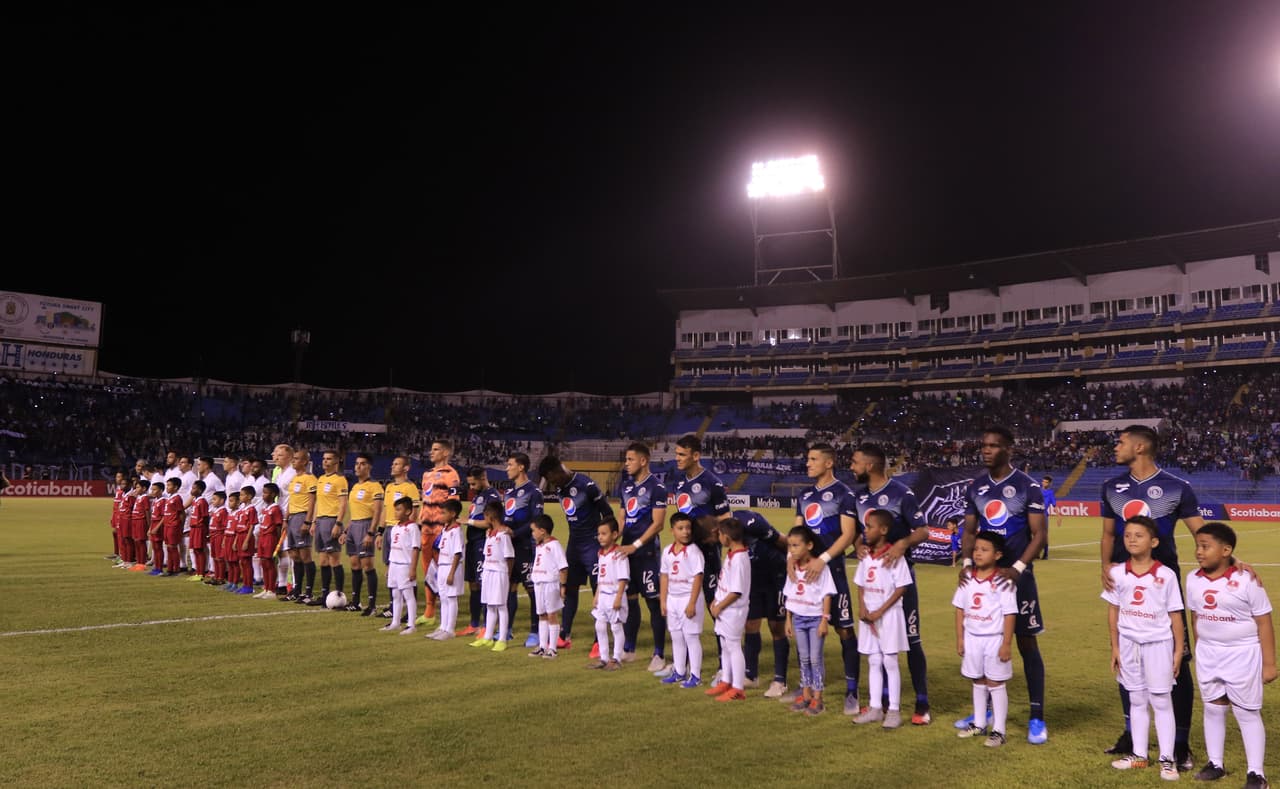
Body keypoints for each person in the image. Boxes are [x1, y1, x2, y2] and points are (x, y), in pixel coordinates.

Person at [1101, 424, 1204, 769]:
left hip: (1165, 584)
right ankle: (1133, 736)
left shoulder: (1177, 487)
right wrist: (1105, 566)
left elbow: (1201, 534)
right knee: (1125, 659)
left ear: (1141, 446)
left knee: (1178, 660)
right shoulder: (1111, 487)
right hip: (1125, 582)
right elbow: (1107, 534)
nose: (1116, 446)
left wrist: (1229, 563)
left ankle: (1181, 744)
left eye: (1121, 441)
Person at [957, 426, 1049, 745]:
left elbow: (1039, 535)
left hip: (1017, 578)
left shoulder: (1028, 487)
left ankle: (1036, 716)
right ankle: (982, 715)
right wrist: (968, 564)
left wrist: (1018, 568)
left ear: (1009, 449)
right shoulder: (977, 487)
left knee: (1024, 642)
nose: (986, 450)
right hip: (984, 578)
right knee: (980, 641)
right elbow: (969, 531)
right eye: (984, 445)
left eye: (994, 446)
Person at [1185, 523, 1275, 787]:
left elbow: (1264, 622)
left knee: (1246, 712)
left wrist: (1269, 664)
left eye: (1205, 546)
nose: (1199, 552)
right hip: (1209, 653)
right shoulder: (1193, 579)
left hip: (1242, 653)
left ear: (1226, 550)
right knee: (1213, 708)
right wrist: (1200, 647)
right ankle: (1216, 764)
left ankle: (1256, 773)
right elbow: (1196, 615)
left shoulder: (1247, 580)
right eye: (1198, 546)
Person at [851, 442, 932, 723]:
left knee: (911, 640)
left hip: (899, 578)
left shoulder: (901, 494)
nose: (852, 467)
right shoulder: (859, 497)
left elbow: (924, 531)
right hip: (872, 581)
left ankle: (921, 704)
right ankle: (881, 703)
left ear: (869, 465)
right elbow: (855, 532)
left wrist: (902, 544)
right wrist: (857, 544)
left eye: (855, 462)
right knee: (875, 648)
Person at [1102, 515, 1184, 779]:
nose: (1132, 539)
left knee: (1160, 700)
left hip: (1158, 644)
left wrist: (1178, 651)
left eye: (1138, 535)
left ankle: (1167, 759)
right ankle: (1138, 755)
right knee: (1136, 699)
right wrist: (1115, 647)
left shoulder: (1166, 575)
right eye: (1127, 535)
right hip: (1128, 644)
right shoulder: (1116, 573)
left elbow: (1176, 616)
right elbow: (1113, 611)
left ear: (1154, 541)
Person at [794, 442, 862, 715]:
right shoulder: (805, 494)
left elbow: (847, 535)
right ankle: (807, 688)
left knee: (844, 629)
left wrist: (822, 560)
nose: (808, 463)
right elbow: (797, 533)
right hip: (806, 577)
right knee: (803, 626)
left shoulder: (844, 494)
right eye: (807, 459)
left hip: (831, 573)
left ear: (829, 462)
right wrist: (792, 560)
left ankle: (852, 691)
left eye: (813, 459)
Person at [538, 456, 614, 653]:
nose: (553, 483)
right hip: (574, 544)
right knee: (569, 588)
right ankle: (565, 635)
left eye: (552, 479)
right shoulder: (559, 489)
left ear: (557, 471)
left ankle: (600, 640)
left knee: (600, 588)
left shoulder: (586, 485)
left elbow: (607, 513)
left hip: (592, 544)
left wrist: (604, 542)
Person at [954, 531, 1018, 749]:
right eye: (976, 549)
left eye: (984, 550)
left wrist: (1006, 643)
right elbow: (959, 609)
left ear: (998, 555)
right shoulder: (966, 578)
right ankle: (979, 723)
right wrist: (960, 639)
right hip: (972, 638)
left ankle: (999, 730)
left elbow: (1010, 614)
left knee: (996, 683)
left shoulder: (1004, 581)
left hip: (994, 639)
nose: (978, 553)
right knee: (978, 680)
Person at [852, 509, 913, 729]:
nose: (865, 531)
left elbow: (902, 587)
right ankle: (875, 707)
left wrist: (880, 611)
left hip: (889, 615)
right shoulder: (865, 555)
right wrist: (863, 607)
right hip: (868, 615)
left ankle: (894, 710)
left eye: (869, 526)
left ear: (884, 530)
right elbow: (860, 583)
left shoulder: (894, 556)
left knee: (889, 660)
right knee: (873, 660)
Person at [614, 443, 669, 671]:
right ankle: (629, 648)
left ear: (643, 461)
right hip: (627, 553)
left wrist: (635, 545)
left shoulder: (657, 488)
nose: (626, 464)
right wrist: (612, 539)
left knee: (654, 603)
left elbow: (658, 524)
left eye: (630, 459)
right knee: (631, 601)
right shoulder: (625, 487)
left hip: (646, 554)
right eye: (626, 460)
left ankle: (659, 653)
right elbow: (622, 518)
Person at [732, 508, 790, 696]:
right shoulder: (725, 529)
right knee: (750, 625)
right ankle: (751, 675)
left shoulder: (749, 520)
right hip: (753, 581)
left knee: (777, 628)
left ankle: (780, 680)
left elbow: (784, 542)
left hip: (776, 578)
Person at [783, 525, 836, 715]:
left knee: (815, 658)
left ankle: (817, 699)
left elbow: (827, 595)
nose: (792, 550)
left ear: (810, 545)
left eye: (796, 546)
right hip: (798, 619)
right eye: (790, 546)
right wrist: (788, 620)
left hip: (814, 619)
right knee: (804, 658)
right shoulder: (792, 569)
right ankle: (805, 695)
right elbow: (788, 595)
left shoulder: (820, 568)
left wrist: (824, 620)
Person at [659, 512, 706, 688]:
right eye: (681, 528)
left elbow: (698, 577)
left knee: (691, 637)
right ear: (672, 530)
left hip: (688, 598)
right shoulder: (667, 552)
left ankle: (695, 675)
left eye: (688, 528)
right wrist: (663, 601)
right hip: (672, 599)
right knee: (676, 636)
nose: (685, 532)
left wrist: (692, 603)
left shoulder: (694, 552)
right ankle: (679, 671)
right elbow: (664, 576)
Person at [418, 440, 461, 629]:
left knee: (440, 571)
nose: (431, 452)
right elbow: (423, 500)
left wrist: (447, 528)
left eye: (436, 450)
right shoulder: (426, 474)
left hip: (439, 530)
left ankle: (443, 615)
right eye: (432, 449)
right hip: (425, 529)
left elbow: (454, 503)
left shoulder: (452, 475)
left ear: (445, 453)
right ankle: (429, 612)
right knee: (428, 571)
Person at [705, 517, 750, 702]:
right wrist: (715, 601)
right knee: (725, 645)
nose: (719, 538)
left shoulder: (740, 559)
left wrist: (719, 606)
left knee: (733, 646)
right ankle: (726, 681)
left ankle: (738, 688)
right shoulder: (732, 554)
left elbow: (736, 591)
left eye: (720, 535)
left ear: (728, 537)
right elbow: (725, 584)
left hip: (733, 610)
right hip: (724, 608)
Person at [503, 453, 544, 647]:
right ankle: (507, 630)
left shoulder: (533, 491)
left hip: (526, 546)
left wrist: (515, 533)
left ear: (521, 467)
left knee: (531, 589)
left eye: (510, 464)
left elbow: (536, 521)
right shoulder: (510, 492)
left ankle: (535, 631)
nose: (507, 468)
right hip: (510, 547)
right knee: (510, 588)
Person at [377, 456, 420, 619]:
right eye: (393, 463)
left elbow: (414, 511)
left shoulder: (410, 487)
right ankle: (393, 606)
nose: (392, 466)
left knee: (406, 569)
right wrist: (380, 532)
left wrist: (408, 530)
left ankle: (410, 610)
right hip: (389, 529)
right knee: (391, 568)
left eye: (397, 464)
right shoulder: (388, 487)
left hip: (403, 530)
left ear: (406, 468)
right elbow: (385, 510)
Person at [461, 466, 501, 634]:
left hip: (483, 545)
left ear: (483, 477)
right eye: (469, 484)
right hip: (472, 544)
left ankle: (487, 625)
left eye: (473, 484)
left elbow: (490, 523)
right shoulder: (478, 495)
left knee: (483, 585)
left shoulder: (492, 497)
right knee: (473, 584)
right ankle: (474, 623)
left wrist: (467, 522)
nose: (471, 488)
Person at [588, 516, 629, 671]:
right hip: (603, 595)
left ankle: (617, 658)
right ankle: (604, 658)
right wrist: (597, 595)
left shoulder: (619, 554)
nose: (600, 537)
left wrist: (618, 597)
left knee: (616, 627)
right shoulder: (601, 553)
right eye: (599, 534)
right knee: (599, 625)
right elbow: (601, 576)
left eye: (604, 533)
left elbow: (623, 577)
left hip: (614, 595)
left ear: (614, 534)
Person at [308, 450, 349, 606]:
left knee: (334, 559)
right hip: (320, 521)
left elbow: (343, 503)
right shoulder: (321, 479)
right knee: (323, 560)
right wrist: (313, 522)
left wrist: (338, 523)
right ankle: (325, 596)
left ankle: (338, 594)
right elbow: (318, 502)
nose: (325, 461)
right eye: (324, 459)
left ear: (336, 461)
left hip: (332, 521)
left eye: (329, 459)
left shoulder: (340, 480)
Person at [472, 501, 514, 651]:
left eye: (485, 516)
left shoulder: (503, 535)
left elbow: (509, 557)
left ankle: (502, 639)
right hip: (488, 571)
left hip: (499, 573)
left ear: (490, 516)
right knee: (489, 605)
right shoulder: (490, 534)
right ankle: (488, 637)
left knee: (501, 606)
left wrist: (506, 576)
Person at [345, 453, 383, 612]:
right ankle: (355, 601)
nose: (358, 467)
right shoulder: (355, 486)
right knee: (354, 564)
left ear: (369, 467)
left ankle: (372, 605)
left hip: (366, 525)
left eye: (362, 464)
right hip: (354, 526)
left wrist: (371, 532)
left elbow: (378, 512)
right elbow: (354, 511)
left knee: (367, 565)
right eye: (356, 464)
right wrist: (346, 530)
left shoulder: (375, 486)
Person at [528, 513, 568, 658]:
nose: (532, 534)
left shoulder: (554, 545)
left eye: (534, 530)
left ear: (542, 531)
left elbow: (563, 567)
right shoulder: (540, 546)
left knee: (552, 615)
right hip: (539, 583)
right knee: (542, 614)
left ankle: (553, 648)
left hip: (550, 584)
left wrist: (563, 586)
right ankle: (542, 646)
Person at [282, 451, 318, 604]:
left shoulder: (309, 479)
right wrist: (286, 518)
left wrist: (308, 521)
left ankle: (308, 592)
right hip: (292, 518)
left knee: (305, 556)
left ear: (304, 462)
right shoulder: (294, 479)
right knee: (294, 555)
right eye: (293, 459)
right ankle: (297, 590)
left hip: (302, 516)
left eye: (296, 459)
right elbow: (291, 500)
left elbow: (312, 501)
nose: (293, 461)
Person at [427, 500, 466, 640]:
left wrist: (451, 573)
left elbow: (457, 553)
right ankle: (443, 627)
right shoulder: (445, 529)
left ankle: (450, 630)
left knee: (451, 597)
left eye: (443, 513)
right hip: (443, 566)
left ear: (453, 514)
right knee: (443, 597)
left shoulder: (456, 531)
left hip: (451, 567)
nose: (440, 516)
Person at [382, 497, 420, 635]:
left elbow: (416, 548)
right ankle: (395, 622)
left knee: (408, 595)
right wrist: (389, 566)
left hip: (405, 565)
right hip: (394, 565)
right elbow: (393, 548)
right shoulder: (395, 528)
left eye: (399, 509)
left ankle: (411, 625)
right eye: (395, 509)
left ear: (408, 511)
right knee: (395, 595)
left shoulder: (412, 528)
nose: (395, 512)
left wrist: (413, 569)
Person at [254, 483, 283, 600]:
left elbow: (278, 526)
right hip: (262, 537)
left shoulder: (275, 508)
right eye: (263, 493)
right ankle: (266, 588)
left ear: (273, 494)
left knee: (270, 563)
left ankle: (272, 590)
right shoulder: (265, 509)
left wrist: (278, 543)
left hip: (270, 538)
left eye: (266, 493)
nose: (263, 495)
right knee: (263, 563)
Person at [231, 487, 258, 595]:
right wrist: (235, 541)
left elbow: (252, 525)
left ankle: (249, 586)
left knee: (247, 562)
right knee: (242, 562)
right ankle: (245, 584)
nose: (240, 497)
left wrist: (246, 541)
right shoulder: (242, 509)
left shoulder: (251, 509)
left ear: (249, 496)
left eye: (242, 495)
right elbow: (238, 526)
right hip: (240, 536)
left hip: (246, 536)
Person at [186, 480, 210, 581]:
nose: (192, 490)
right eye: (192, 488)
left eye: (194, 488)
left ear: (200, 490)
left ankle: (201, 573)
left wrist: (206, 530)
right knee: (195, 550)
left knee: (200, 550)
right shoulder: (195, 501)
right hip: (194, 528)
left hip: (200, 528)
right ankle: (197, 572)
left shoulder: (202, 501)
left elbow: (205, 517)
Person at [205, 490, 229, 586]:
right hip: (213, 536)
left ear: (222, 501)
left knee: (219, 558)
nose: (212, 501)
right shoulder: (216, 511)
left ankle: (221, 577)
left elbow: (224, 527)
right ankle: (216, 575)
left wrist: (223, 539)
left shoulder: (223, 512)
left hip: (219, 536)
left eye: (215, 499)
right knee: (215, 557)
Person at [1040, 476, 1056, 560]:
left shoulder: (1050, 493)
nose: (1044, 483)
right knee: (1035, 535)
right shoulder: (1037, 490)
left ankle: (1045, 553)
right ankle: (1036, 553)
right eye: (1043, 481)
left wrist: (1059, 515)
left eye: (1046, 482)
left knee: (1044, 535)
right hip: (1035, 516)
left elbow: (1054, 505)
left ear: (1049, 483)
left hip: (1044, 516)